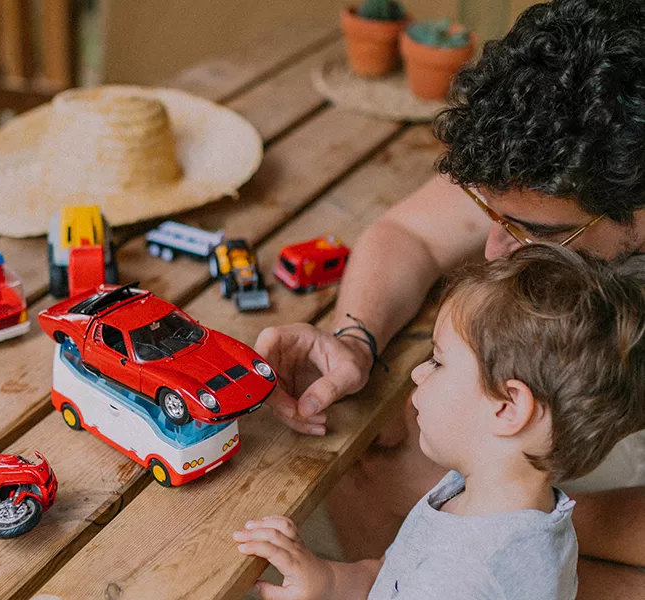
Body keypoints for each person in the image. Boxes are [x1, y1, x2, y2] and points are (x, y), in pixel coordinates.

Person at [254, 0, 645, 596]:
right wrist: (355, 341)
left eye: (535, 233)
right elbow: (406, 234)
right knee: (382, 445)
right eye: (490, 212)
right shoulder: (555, 157)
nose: (492, 249)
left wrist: (492, 505)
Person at [236, 245, 645, 599]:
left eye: (438, 361)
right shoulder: (471, 496)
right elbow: (393, 579)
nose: (417, 374)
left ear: (508, 406)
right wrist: (326, 581)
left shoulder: (473, 574)